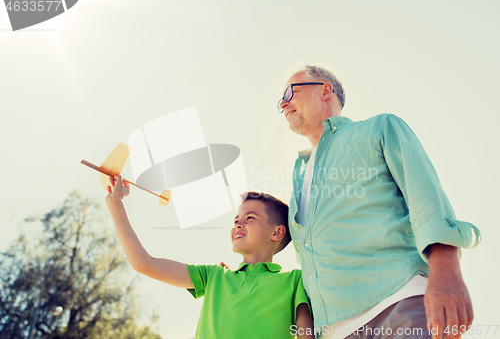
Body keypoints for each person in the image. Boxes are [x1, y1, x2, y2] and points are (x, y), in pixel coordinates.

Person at [278, 63, 481, 339]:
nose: (283, 102)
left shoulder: (379, 128)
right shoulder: (298, 177)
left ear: (325, 90)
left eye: (290, 92)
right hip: (333, 330)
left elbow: (425, 195)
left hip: (398, 307)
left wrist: (447, 270)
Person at [105, 176, 315, 339]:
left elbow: (306, 334)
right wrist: (116, 204)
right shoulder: (213, 276)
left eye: (250, 218)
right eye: (236, 220)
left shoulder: (294, 280)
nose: (238, 225)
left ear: (277, 233)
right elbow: (144, 263)